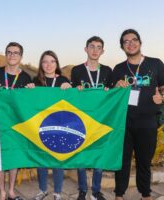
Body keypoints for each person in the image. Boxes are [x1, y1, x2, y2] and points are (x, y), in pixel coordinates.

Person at [112, 29, 164, 200]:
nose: (130, 43)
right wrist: (116, 86)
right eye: (126, 41)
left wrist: (162, 96)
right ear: (122, 46)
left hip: (147, 122)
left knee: (144, 162)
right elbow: (109, 95)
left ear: (140, 42)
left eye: (134, 40)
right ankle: (119, 194)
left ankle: (145, 194)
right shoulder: (118, 68)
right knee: (122, 162)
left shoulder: (155, 63)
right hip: (123, 122)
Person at [0, 42, 31, 200]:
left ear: (21, 56)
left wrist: (31, 91)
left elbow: (29, 104)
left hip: (17, 124)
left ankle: (11, 190)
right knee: (0, 158)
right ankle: (2, 192)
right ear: (6, 54)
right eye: (9, 52)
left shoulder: (26, 77)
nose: (12, 55)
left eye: (16, 53)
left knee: (14, 157)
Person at [71, 36, 112, 200]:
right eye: (92, 47)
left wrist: (112, 90)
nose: (95, 50)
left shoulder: (108, 71)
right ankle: (82, 189)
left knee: (99, 156)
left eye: (98, 47)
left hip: (100, 120)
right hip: (81, 120)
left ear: (102, 51)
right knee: (81, 155)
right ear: (86, 49)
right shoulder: (76, 70)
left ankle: (96, 191)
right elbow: (71, 97)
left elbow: (115, 95)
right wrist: (76, 90)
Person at [27, 50, 71, 200]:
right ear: (41, 64)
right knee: (42, 161)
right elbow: (30, 103)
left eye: (52, 61)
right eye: (45, 61)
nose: (49, 65)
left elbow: (72, 102)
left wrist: (69, 88)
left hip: (59, 126)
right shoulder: (36, 81)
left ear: (56, 64)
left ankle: (57, 192)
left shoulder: (63, 80)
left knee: (58, 160)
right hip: (41, 126)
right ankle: (42, 190)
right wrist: (29, 90)